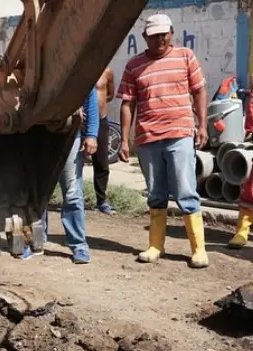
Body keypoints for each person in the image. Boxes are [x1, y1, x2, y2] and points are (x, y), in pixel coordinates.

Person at [117, 13, 209, 269]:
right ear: (145, 37)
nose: (159, 39)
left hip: (179, 134)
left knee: (185, 191)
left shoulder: (185, 56)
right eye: (154, 35)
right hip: (147, 138)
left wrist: (202, 125)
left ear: (171, 33)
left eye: (163, 34)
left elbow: (199, 90)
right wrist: (124, 140)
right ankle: (156, 245)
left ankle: (198, 250)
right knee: (156, 193)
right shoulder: (134, 65)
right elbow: (127, 103)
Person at [21, 87, 99, 264]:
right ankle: (37, 243)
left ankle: (79, 245)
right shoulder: (35, 67)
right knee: (37, 193)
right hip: (38, 136)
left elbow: (90, 98)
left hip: (70, 136)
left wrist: (92, 135)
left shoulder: (78, 67)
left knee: (72, 193)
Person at [93, 67, 115, 215]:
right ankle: (72, 199)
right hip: (80, 122)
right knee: (74, 163)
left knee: (101, 163)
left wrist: (97, 105)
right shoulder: (78, 69)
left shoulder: (107, 71)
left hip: (101, 121)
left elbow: (110, 94)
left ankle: (101, 201)